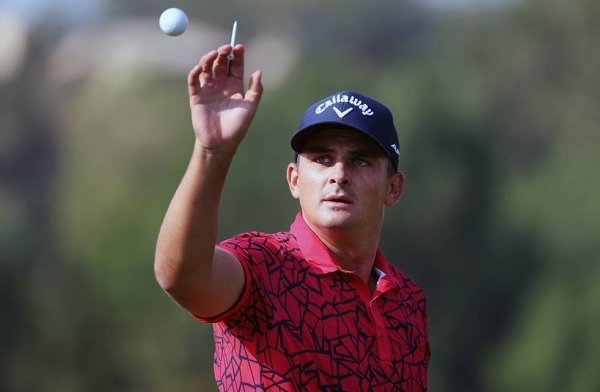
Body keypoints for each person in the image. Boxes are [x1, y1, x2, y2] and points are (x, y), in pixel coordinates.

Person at [155, 43, 430, 391]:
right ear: (295, 180)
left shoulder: (407, 301)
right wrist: (211, 152)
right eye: (322, 158)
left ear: (394, 188)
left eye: (360, 161)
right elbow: (182, 278)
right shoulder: (261, 264)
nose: (339, 174)